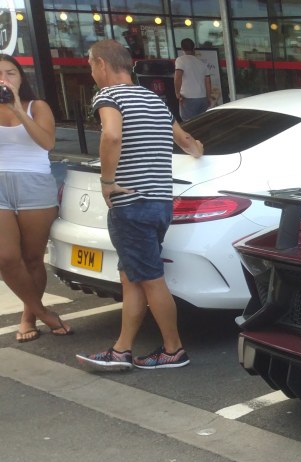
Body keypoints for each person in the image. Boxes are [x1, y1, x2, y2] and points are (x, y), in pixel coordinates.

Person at [77, 39, 203, 371]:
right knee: (132, 277)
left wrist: (106, 182)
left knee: (149, 278)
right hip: (160, 203)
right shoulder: (155, 99)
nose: (91, 72)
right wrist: (200, 151)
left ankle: (173, 349)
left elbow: (112, 136)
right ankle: (122, 350)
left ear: (102, 64)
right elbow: (188, 142)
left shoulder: (109, 96)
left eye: (90, 65)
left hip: (130, 202)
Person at [0, 53, 71, 343]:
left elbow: (47, 142)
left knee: (31, 257)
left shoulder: (36, 106)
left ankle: (28, 315)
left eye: (10, 73)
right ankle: (43, 312)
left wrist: (17, 109)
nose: (4, 79)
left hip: (34, 183)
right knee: (5, 258)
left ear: (21, 77)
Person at [173, 38, 213, 121]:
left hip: (188, 98)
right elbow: (208, 82)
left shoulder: (180, 60)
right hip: (203, 98)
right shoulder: (201, 63)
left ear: (182, 48)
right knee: (201, 123)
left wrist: (177, 94)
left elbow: (178, 77)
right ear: (193, 48)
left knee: (189, 124)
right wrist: (208, 98)